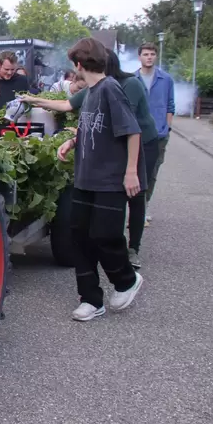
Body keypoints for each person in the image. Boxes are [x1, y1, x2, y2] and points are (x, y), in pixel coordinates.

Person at [21, 50, 158, 269]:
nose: (79, 69)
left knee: (135, 193)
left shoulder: (126, 85)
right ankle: (110, 248)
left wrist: (130, 171)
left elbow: (126, 126)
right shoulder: (96, 87)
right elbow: (68, 105)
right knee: (115, 196)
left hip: (142, 142)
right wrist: (33, 100)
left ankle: (133, 249)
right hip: (115, 143)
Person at [55, 38, 144, 322]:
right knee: (79, 238)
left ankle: (127, 280)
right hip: (84, 178)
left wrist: (130, 172)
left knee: (104, 236)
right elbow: (94, 126)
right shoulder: (91, 92)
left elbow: (132, 131)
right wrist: (72, 141)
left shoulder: (110, 89)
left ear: (79, 64)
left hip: (108, 181)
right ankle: (91, 299)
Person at [135, 41, 175, 224]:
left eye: (152, 54)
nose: (149, 57)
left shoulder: (166, 79)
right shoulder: (132, 80)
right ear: (139, 57)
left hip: (159, 134)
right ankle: (133, 209)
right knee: (133, 171)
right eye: (145, 54)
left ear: (156, 56)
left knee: (151, 173)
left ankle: (142, 208)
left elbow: (170, 105)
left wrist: (167, 127)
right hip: (136, 134)